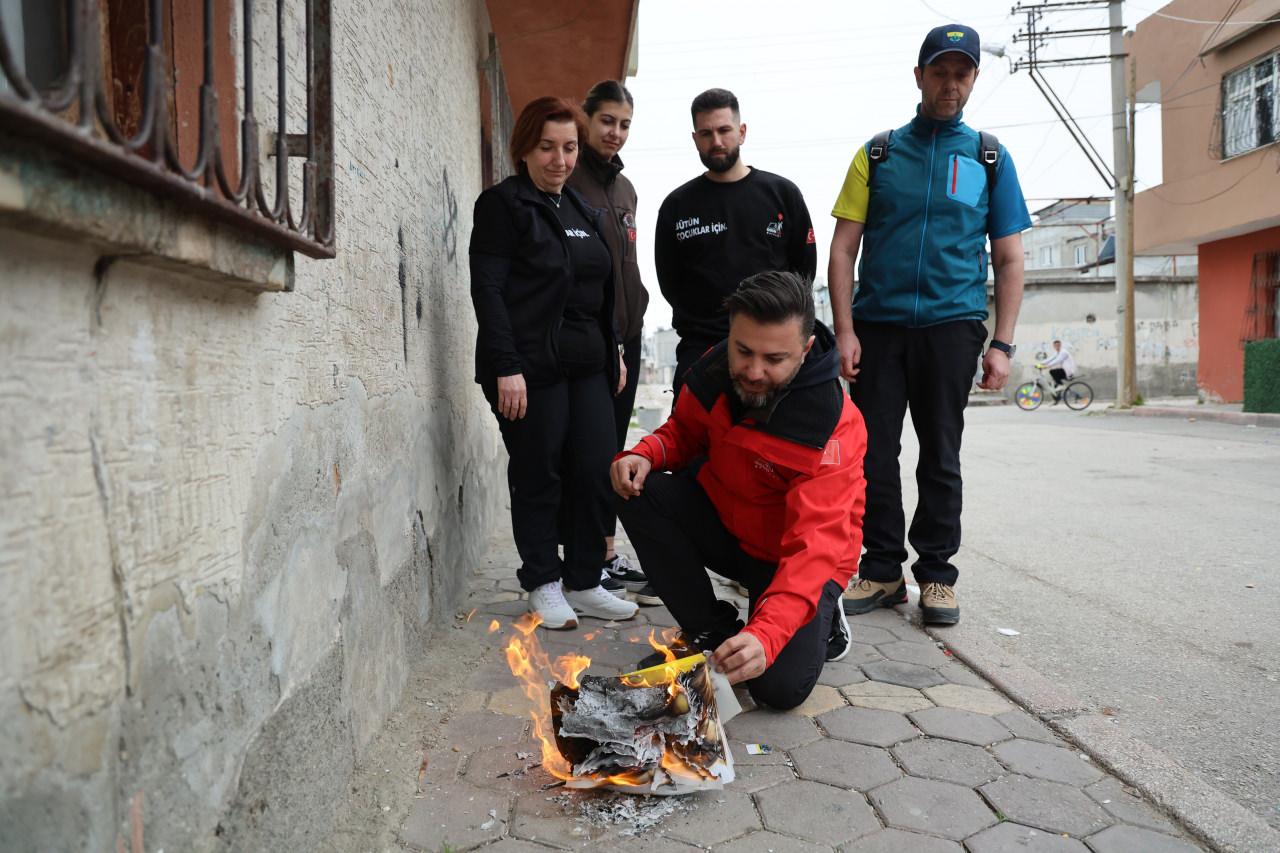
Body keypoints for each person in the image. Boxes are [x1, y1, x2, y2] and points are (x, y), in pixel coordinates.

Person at [828, 23, 1031, 626]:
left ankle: (938, 576)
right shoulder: (879, 154)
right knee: (874, 454)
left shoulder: (989, 157)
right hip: (879, 327)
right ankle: (882, 569)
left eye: (961, 73)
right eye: (939, 72)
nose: (950, 84)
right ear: (919, 76)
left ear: (974, 78)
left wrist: (1002, 343)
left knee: (941, 453)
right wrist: (845, 331)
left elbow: (1010, 257)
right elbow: (843, 249)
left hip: (952, 326)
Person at [611, 271, 866, 710]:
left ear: (806, 349)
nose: (753, 371)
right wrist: (647, 452)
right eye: (743, 351)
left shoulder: (832, 427)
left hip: (796, 559)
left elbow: (814, 548)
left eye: (774, 359)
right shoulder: (714, 372)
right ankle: (711, 630)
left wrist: (765, 636)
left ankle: (824, 611)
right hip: (732, 531)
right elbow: (684, 432)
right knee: (635, 485)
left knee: (777, 690)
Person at [469, 96, 638, 629]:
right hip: (528, 367)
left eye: (568, 148)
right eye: (547, 147)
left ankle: (584, 580)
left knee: (594, 468)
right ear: (524, 149)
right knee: (538, 471)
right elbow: (488, 289)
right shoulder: (503, 205)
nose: (559, 160)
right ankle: (543, 580)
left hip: (588, 364)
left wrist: (614, 348)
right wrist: (505, 365)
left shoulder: (581, 209)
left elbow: (601, 287)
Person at [655, 88, 817, 398]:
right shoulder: (677, 205)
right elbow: (670, 283)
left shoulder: (782, 194)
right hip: (701, 349)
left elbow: (804, 274)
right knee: (693, 430)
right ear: (695, 139)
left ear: (741, 132)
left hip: (771, 349)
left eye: (724, 130)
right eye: (706, 133)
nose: (716, 141)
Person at [566, 79, 657, 605]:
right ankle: (581, 562)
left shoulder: (626, 190)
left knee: (612, 450)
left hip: (628, 335)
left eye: (624, 124)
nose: (615, 133)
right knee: (589, 453)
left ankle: (604, 553)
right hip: (588, 341)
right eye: (607, 121)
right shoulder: (567, 179)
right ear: (586, 118)